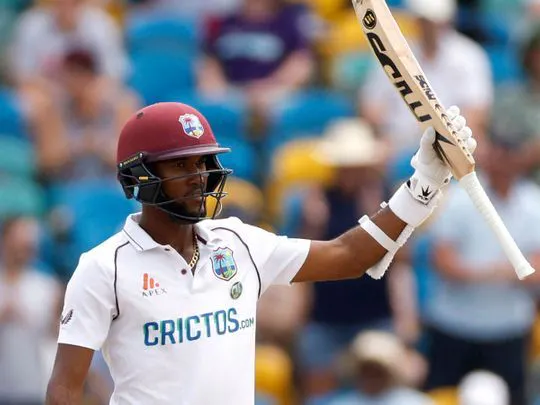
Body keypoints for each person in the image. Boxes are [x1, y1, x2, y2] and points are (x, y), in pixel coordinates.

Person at [45, 101, 476, 404]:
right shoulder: (103, 269)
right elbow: (64, 389)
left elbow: (350, 255)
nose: (198, 176)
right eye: (180, 165)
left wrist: (423, 183)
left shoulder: (239, 243)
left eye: (202, 163)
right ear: (139, 176)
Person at [424, 134, 540, 405]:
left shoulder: (533, 202)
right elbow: (443, 262)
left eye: (509, 156)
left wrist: (477, 273)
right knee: (443, 397)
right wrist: (502, 272)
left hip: (508, 328)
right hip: (454, 326)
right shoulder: (457, 199)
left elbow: (536, 270)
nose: (503, 163)